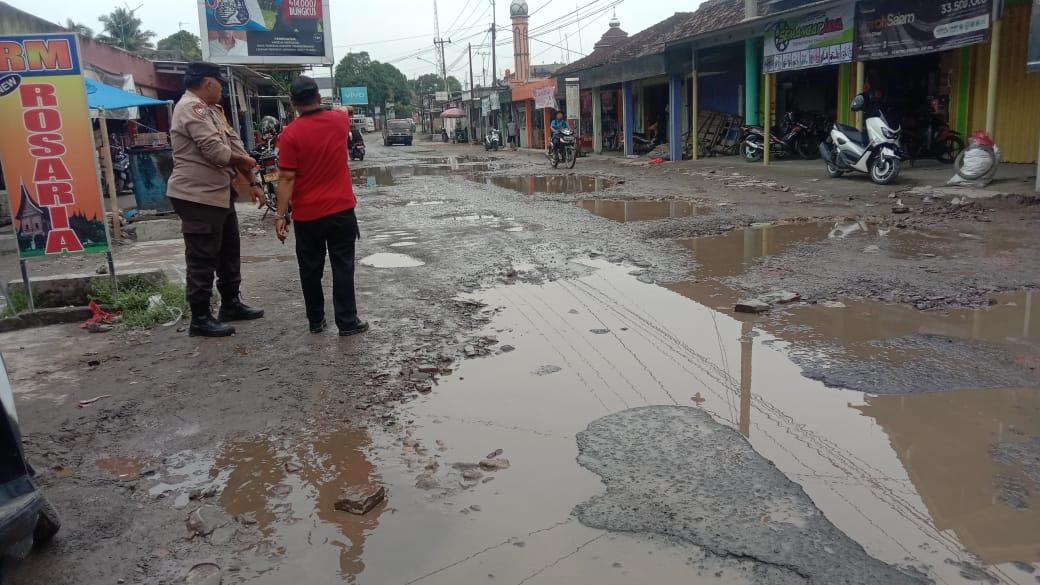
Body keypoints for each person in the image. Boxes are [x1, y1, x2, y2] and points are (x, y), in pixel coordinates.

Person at [168, 61, 265, 337]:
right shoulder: (191, 108)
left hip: (219, 194)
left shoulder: (211, 111)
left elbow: (234, 144)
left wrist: (253, 181)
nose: (222, 89)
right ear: (208, 83)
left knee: (228, 251)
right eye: (220, 84)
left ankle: (231, 303)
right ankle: (199, 317)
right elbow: (217, 152)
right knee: (202, 256)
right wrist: (245, 161)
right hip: (197, 196)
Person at [274, 76, 368, 337]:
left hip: (307, 215)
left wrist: (280, 215)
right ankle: (347, 323)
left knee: (310, 269)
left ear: (292, 103)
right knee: (343, 266)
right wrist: (338, 108)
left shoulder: (289, 134)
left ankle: (316, 321)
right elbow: (346, 110)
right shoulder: (339, 121)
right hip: (341, 210)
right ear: (318, 97)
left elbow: (286, 178)